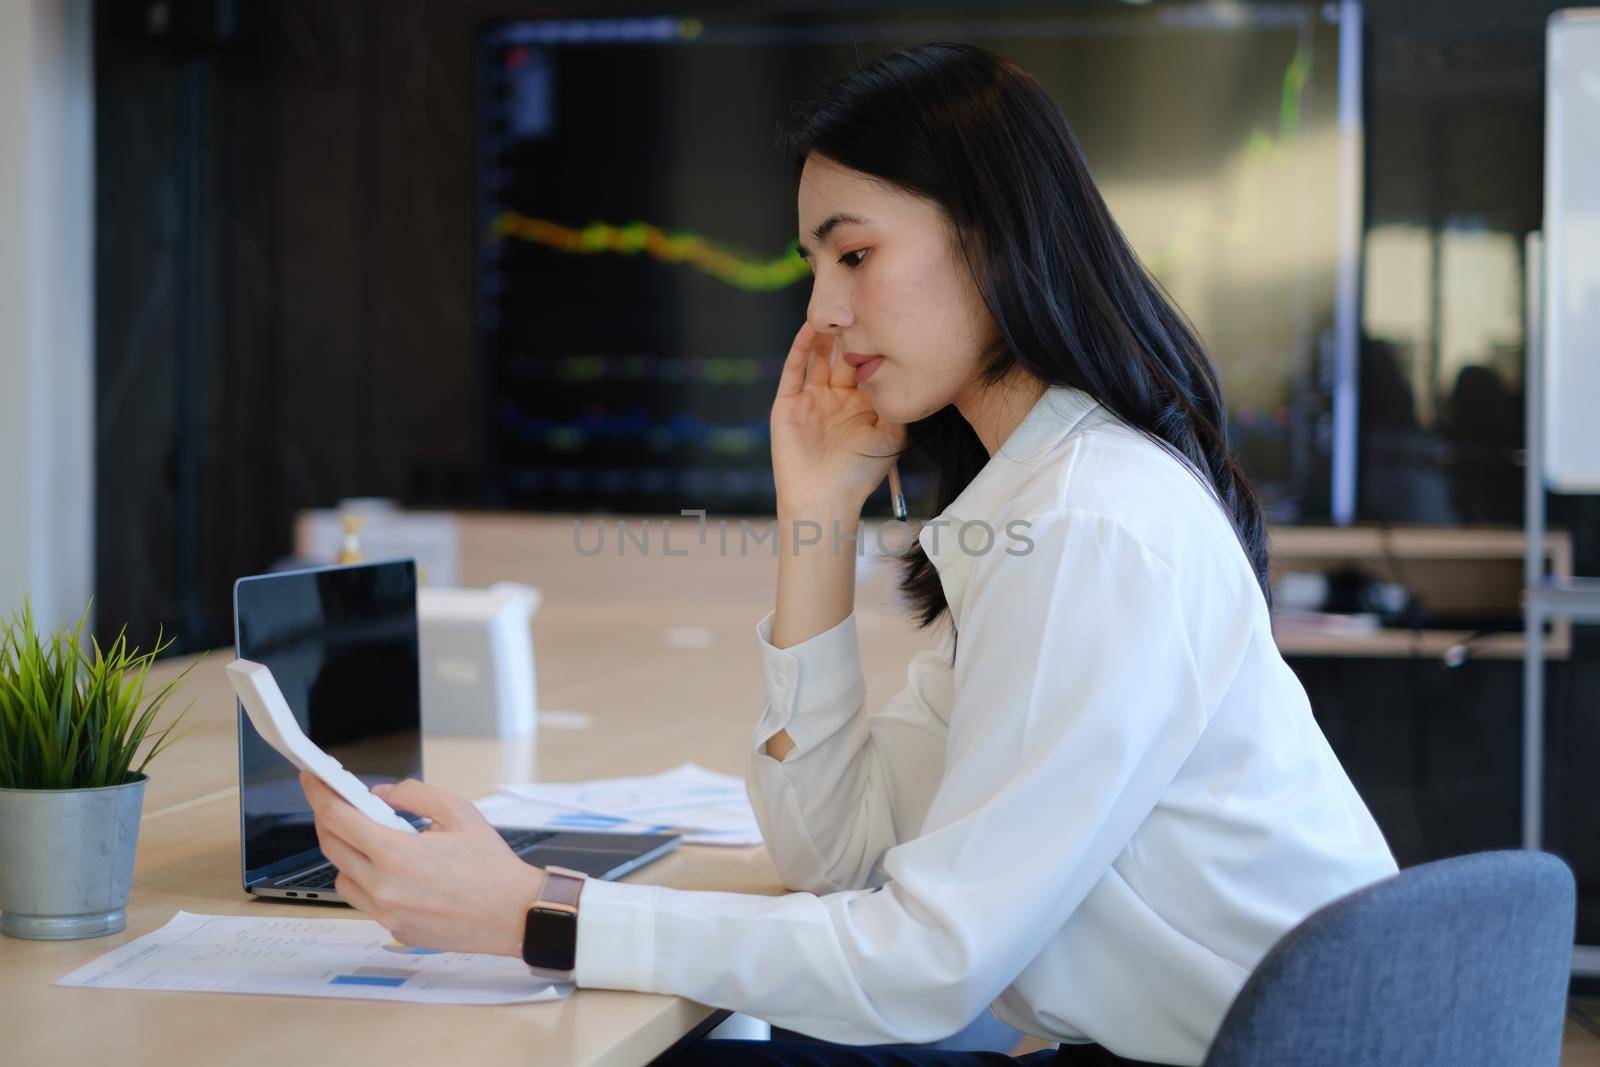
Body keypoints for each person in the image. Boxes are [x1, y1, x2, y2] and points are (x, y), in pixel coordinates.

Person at [299, 42, 1397, 1066]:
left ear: (994, 233)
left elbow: (927, 965)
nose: (823, 312)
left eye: (856, 254)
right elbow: (838, 853)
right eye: (815, 266)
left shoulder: (1089, 526)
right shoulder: (1038, 498)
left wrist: (539, 912)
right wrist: (815, 513)